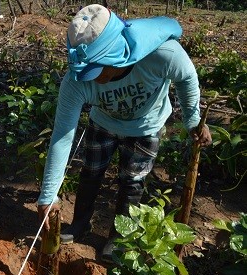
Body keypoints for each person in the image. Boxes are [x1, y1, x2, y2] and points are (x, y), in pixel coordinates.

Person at [36, 4, 212, 261]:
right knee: (91, 171)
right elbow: (62, 135)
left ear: (115, 55)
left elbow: (187, 77)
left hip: (145, 126)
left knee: (132, 180)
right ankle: (80, 225)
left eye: (96, 70)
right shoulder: (77, 82)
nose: (91, 78)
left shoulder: (162, 54)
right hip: (103, 122)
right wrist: (48, 194)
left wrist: (193, 120)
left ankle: (119, 238)